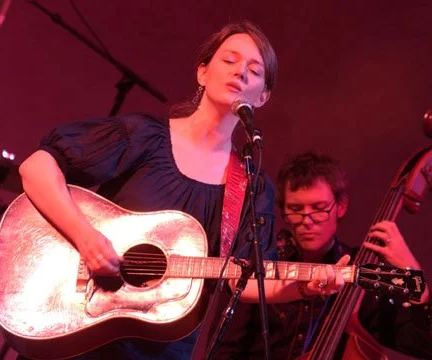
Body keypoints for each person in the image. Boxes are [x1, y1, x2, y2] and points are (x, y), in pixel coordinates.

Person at [17, 21, 345, 359]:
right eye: (229, 61)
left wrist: (304, 287)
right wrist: (85, 237)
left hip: (162, 348)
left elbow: (244, 278)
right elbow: (37, 167)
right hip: (78, 322)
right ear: (202, 72)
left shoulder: (251, 184)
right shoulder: (143, 137)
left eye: (254, 70)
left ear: (262, 96)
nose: (240, 73)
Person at [216, 151, 432, 359]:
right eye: (296, 209)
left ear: (341, 206)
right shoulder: (262, 266)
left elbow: (427, 348)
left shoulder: (360, 273)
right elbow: (224, 350)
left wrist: (413, 272)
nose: (307, 221)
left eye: (318, 208)